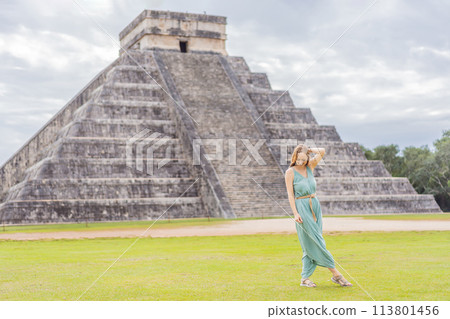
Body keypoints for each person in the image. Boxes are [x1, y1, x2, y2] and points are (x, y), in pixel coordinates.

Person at [284, 144, 353, 288]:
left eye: (303, 159)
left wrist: (308, 150)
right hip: (301, 207)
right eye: (298, 159)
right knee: (317, 241)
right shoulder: (290, 172)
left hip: (315, 205)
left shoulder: (310, 166)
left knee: (311, 242)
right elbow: (290, 194)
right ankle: (336, 274)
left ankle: (305, 279)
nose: (301, 162)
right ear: (294, 156)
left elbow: (322, 151)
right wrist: (295, 213)